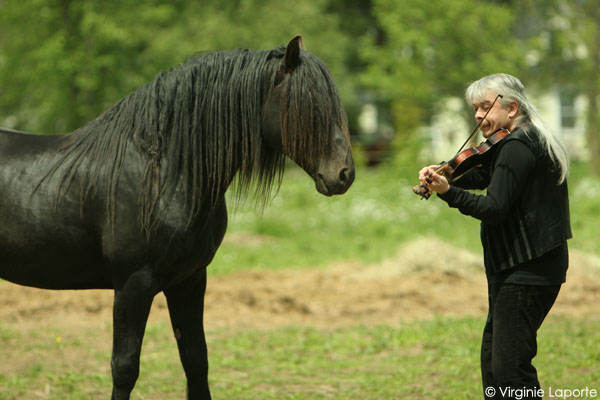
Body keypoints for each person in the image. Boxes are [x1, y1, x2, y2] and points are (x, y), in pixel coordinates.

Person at [417, 73, 572, 399]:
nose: (477, 116)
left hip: (527, 271)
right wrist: (444, 171)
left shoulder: (517, 147)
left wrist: (448, 192)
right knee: (494, 365)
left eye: (485, 107)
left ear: (511, 107)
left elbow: (495, 207)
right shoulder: (525, 139)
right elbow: (487, 173)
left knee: (510, 372)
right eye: (475, 108)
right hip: (521, 268)